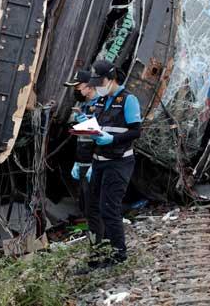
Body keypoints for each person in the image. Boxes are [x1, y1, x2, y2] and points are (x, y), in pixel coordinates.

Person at [85, 59, 141, 267]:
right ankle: (97, 257)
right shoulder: (100, 102)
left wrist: (112, 139)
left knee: (109, 208)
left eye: (100, 82)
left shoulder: (128, 100)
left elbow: (136, 131)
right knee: (93, 210)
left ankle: (117, 255)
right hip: (99, 161)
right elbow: (100, 127)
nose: (98, 87)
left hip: (119, 162)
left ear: (111, 79)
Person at [63, 70, 102, 244]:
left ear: (88, 86)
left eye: (78, 86)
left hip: (95, 161)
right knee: (85, 206)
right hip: (84, 161)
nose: (76, 90)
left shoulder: (100, 105)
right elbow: (83, 137)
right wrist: (78, 162)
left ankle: (101, 244)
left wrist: (95, 162)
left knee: (94, 207)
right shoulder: (85, 106)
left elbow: (100, 136)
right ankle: (95, 243)